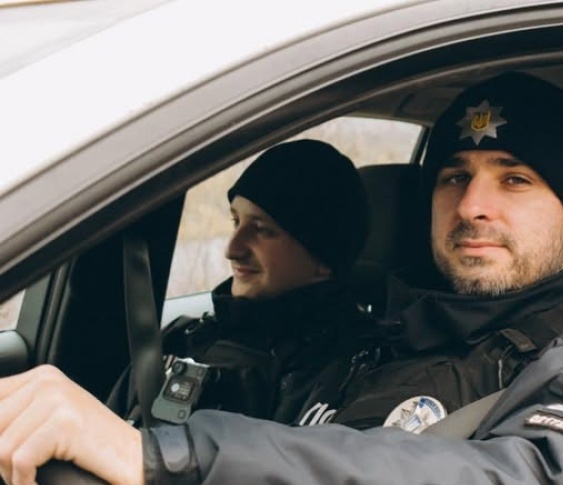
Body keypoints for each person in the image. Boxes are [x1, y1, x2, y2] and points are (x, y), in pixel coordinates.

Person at [0, 73, 563, 485]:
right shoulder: (377, 341)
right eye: (453, 177)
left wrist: (162, 465)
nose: (472, 206)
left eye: (514, 179)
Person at [107, 139, 371, 425]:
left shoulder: (355, 374)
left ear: (323, 257)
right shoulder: (181, 339)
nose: (232, 249)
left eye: (261, 230)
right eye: (236, 221)